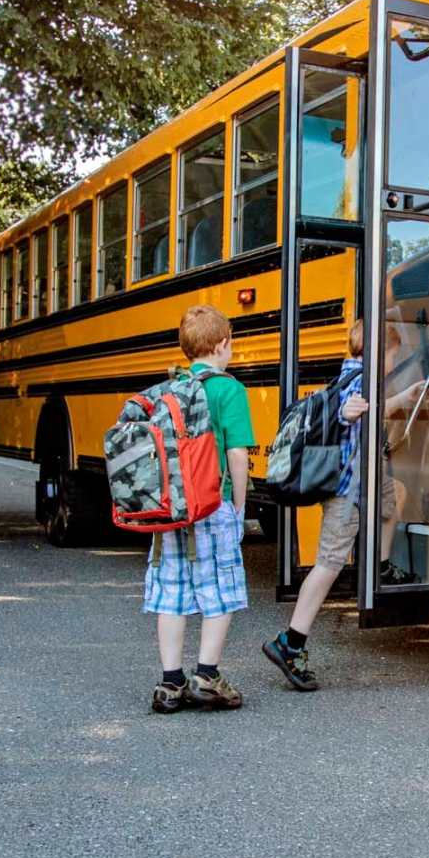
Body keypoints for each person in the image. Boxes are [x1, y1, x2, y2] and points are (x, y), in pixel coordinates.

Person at [262, 318, 425, 691]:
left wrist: (403, 398)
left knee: (394, 495)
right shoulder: (359, 382)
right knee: (329, 563)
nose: (393, 359)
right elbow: (349, 411)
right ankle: (291, 642)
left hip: (364, 482)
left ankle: (381, 566)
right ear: (379, 351)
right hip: (346, 490)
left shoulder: (349, 375)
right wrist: (349, 413)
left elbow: (371, 408)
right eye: (392, 352)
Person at [146, 304, 256, 714]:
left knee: (171, 592)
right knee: (220, 591)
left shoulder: (168, 388)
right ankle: (206, 675)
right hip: (213, 504)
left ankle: (170, 683)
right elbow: (238, 454)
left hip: (170, 508)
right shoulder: (229, 389)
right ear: (223, 344)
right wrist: (239, 508)